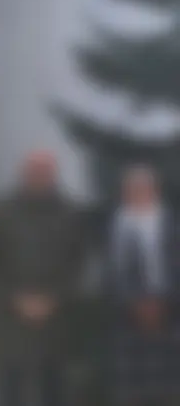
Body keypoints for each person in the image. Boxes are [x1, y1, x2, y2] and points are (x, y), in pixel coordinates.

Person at [0, 149, 89, 406]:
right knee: (11, 389)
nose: (39, 176)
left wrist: (55, 298)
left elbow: (79, 263)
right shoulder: (2, 212)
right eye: (34, 171)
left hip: (56, 320)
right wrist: (15, 298)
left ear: (54, 175)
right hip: (12, 320)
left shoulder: (70, 213)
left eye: (45, 171)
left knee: (54, 388)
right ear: (24, 174)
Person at [105, 164, 180, 406]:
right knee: (132, 386)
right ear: (125, 192)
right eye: (133, 189)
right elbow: (112, 270)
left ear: (155, 191)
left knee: (166, 382)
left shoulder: (171, 221)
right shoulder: (117, 223)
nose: (139, 194)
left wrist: (164, 301)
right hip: (128, 310)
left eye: (144, 189)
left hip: (168, 308)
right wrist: (135, 302)